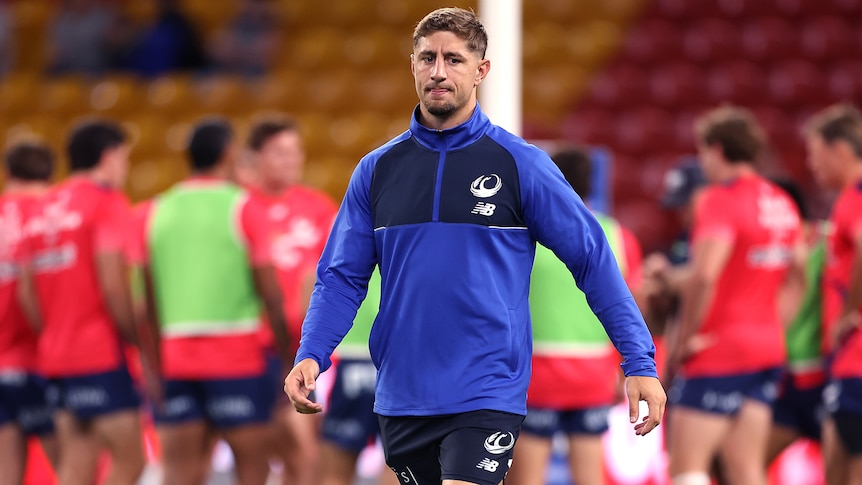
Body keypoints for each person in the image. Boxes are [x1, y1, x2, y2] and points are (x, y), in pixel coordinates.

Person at [284, 8, 666, 485]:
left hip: (487, 389)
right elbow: (341, 278)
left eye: (454, 60)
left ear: (481, 70)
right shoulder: (377, 170)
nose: (438, 72)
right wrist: (312, 353)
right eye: (428, 58)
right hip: (403, 394)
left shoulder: (521, 164)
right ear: (412, 65)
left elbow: (594, 262)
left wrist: (639, 361)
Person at [137, 118, 291, 485]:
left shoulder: (155, 210)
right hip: (237, 360)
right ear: (228, 154)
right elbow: (271, 295)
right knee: (252, 471)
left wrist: (153, 365)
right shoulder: (243, 206)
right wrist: (288, 354)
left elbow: (148, 302)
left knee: (180, 473)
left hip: (176, 360)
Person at [665, 106, 802, 485]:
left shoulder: (719, 200)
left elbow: (704, 275)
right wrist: (775, 324)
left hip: (719, 349)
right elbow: (798, 276)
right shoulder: (781, 201)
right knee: (745, 467)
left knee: (687, 468)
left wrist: (686, 338)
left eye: (702, 151)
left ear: (717, 149)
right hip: (767, 348)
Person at [18, 120, 148, 485]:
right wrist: (137, 340)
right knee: (131, 461)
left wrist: (53, 333)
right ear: (108, 157)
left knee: (76, 466)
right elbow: (113, 284)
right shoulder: (106, 202)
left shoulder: (42, 208)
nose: (125, 167)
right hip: (99, 355)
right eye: (124, 158)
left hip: (55, 356)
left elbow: (26, 293)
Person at [506, 147, 644, 485]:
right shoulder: (618, 235)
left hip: (536, 374)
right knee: (589, 477)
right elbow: (633, 306)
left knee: (527, 479)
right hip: (594, 373)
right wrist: (626, 368)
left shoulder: (526, 234)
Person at [241, 116, 337, 485]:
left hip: (305, 353)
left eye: (296, 151)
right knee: (273, 459)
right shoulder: (241, 208)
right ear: (255, 157)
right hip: (254, 351)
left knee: (304, 458)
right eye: (280, 152)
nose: (292, 160)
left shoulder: (318, 208)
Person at [804, 104, 862, 485]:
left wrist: (847, 313)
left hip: (855, 359)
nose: (812, 165)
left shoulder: (855, 196)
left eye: (815, 153)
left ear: (839, 150)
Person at [0, 142, 59, 484]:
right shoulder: (51, 217)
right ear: (51, 175)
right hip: (39, 362)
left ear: (8, 173)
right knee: (74, 472)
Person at [767, 177, 828, 463]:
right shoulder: (768, 249)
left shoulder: (832, 241)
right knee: (743, 466)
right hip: (784, 377)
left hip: (825, 375)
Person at [319, 268, 400, 485]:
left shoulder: (337, 243)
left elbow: (314, 283)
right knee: (400, 467)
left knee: (335, 472)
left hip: (350, 357)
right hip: (399, 357)